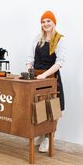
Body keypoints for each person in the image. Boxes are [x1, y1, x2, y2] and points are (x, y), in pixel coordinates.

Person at [26, 10, 66, 152]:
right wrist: (29, 71)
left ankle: (49, 137)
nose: (45, 24)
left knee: (52, 108)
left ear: (54, 22)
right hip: (36, 77)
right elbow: (30, 59)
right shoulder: (37, 38)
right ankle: (42, 134)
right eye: (43, 22)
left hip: (51, 77)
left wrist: (45, 75)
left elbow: (59, 63)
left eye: (48, 21)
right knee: (39, 107)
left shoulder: (59, 39)